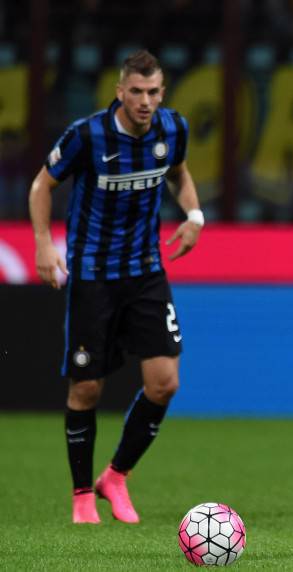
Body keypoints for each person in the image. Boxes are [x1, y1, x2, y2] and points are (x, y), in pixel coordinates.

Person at [28, 50, 203, 524]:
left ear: (161, 93)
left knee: (165, 383)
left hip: (145, 271)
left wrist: (194, 215)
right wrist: (44, 245)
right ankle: (82, 494)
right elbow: (42, 185)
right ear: (119, 92)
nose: (145, 102)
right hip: (93, 275)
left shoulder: (173, 129)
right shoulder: (88, 135)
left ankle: (116, 477)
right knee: (86, 388)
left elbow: (180, 173)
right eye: (136, 92)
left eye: (153, 93)